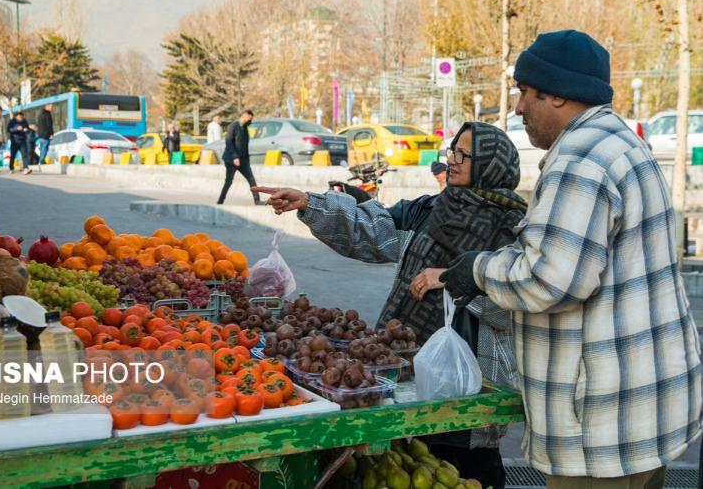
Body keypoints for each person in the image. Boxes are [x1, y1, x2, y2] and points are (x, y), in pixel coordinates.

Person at [441, 30, 703, 488]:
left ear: (557, 95)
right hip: (645, 412)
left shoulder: (580, 160)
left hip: (601, 432)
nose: (518, 108)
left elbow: (552, 279)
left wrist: (478, 269)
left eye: (524, 92)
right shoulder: (620, 141)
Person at [254, 123, 527, 489]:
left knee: (467, 471)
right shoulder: (430, 210)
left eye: (464, 154)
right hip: (405, 371)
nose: (453, 160)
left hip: (471, 383)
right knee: (407, 465)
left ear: (492, 165)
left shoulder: (516, 231)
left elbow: (516, 300)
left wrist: (453, 276)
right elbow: (371, 228)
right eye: (453, 151)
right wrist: (309, 202)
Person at [217, 110, 262, 205]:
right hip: (231, 160)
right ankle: (220, 200)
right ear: (244, 116)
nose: (250, 121)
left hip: (243, 160)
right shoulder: (233, 126)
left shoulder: (245, 128)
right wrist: (235, 157)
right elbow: (229, 143)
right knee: (228, 181)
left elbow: (244, 145)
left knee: (251, 179)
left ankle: (257, 201)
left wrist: (246, 160)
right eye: (250, 119)